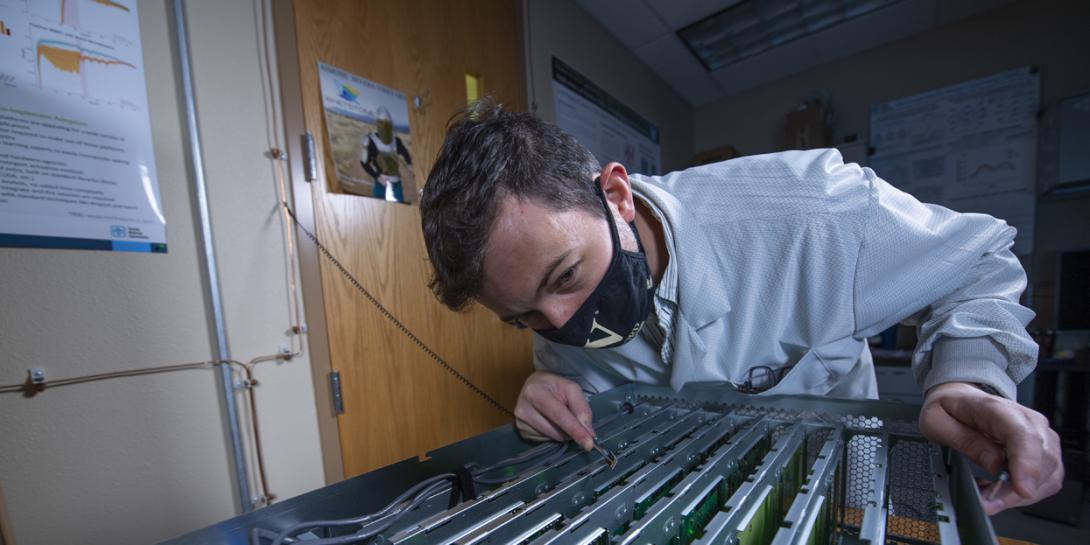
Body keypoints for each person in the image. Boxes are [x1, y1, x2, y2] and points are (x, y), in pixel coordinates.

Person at [419, 100, 1061, 514]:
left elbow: (979, 261)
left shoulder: (816, 214)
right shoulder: (551, 309)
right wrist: (549, 387)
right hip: (690, 497)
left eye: (567, 276)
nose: (558, 323)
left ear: (615, 195)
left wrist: (967, 376)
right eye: (521, 316)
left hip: (841, 477)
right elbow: (578, 382)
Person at [360, 105, 412, 203]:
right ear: (378, 124)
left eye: (387, 123)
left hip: (396, 183)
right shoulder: (370, 141)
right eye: (382, 124)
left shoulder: (396, 140)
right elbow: (364, 162)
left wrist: (409, 164)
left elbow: (404, 152)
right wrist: (377, 176)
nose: (385, 127)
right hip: (381, 183)